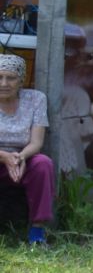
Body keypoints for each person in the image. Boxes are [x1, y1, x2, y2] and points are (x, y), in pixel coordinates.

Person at [0, 53, 53, 244]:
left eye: (11, 78)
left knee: (42, 164)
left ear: (21, 80)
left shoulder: (35, 99)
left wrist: (20, 157)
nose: (4, 83)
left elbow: (37, 142)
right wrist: (5, 156)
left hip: (23, 157)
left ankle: (37, 232)